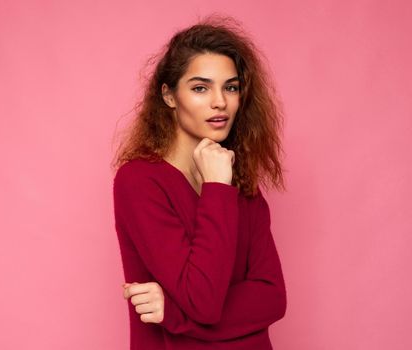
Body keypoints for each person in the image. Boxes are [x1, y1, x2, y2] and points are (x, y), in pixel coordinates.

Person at [111, 14, 287, 350]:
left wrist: (173, 312)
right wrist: (217, 188)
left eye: (231, 87)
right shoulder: (139, 181)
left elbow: (272, 298)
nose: (219, 101)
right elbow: (203, 300)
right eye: (200, 88)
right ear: (169, 96)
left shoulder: (242, 182)